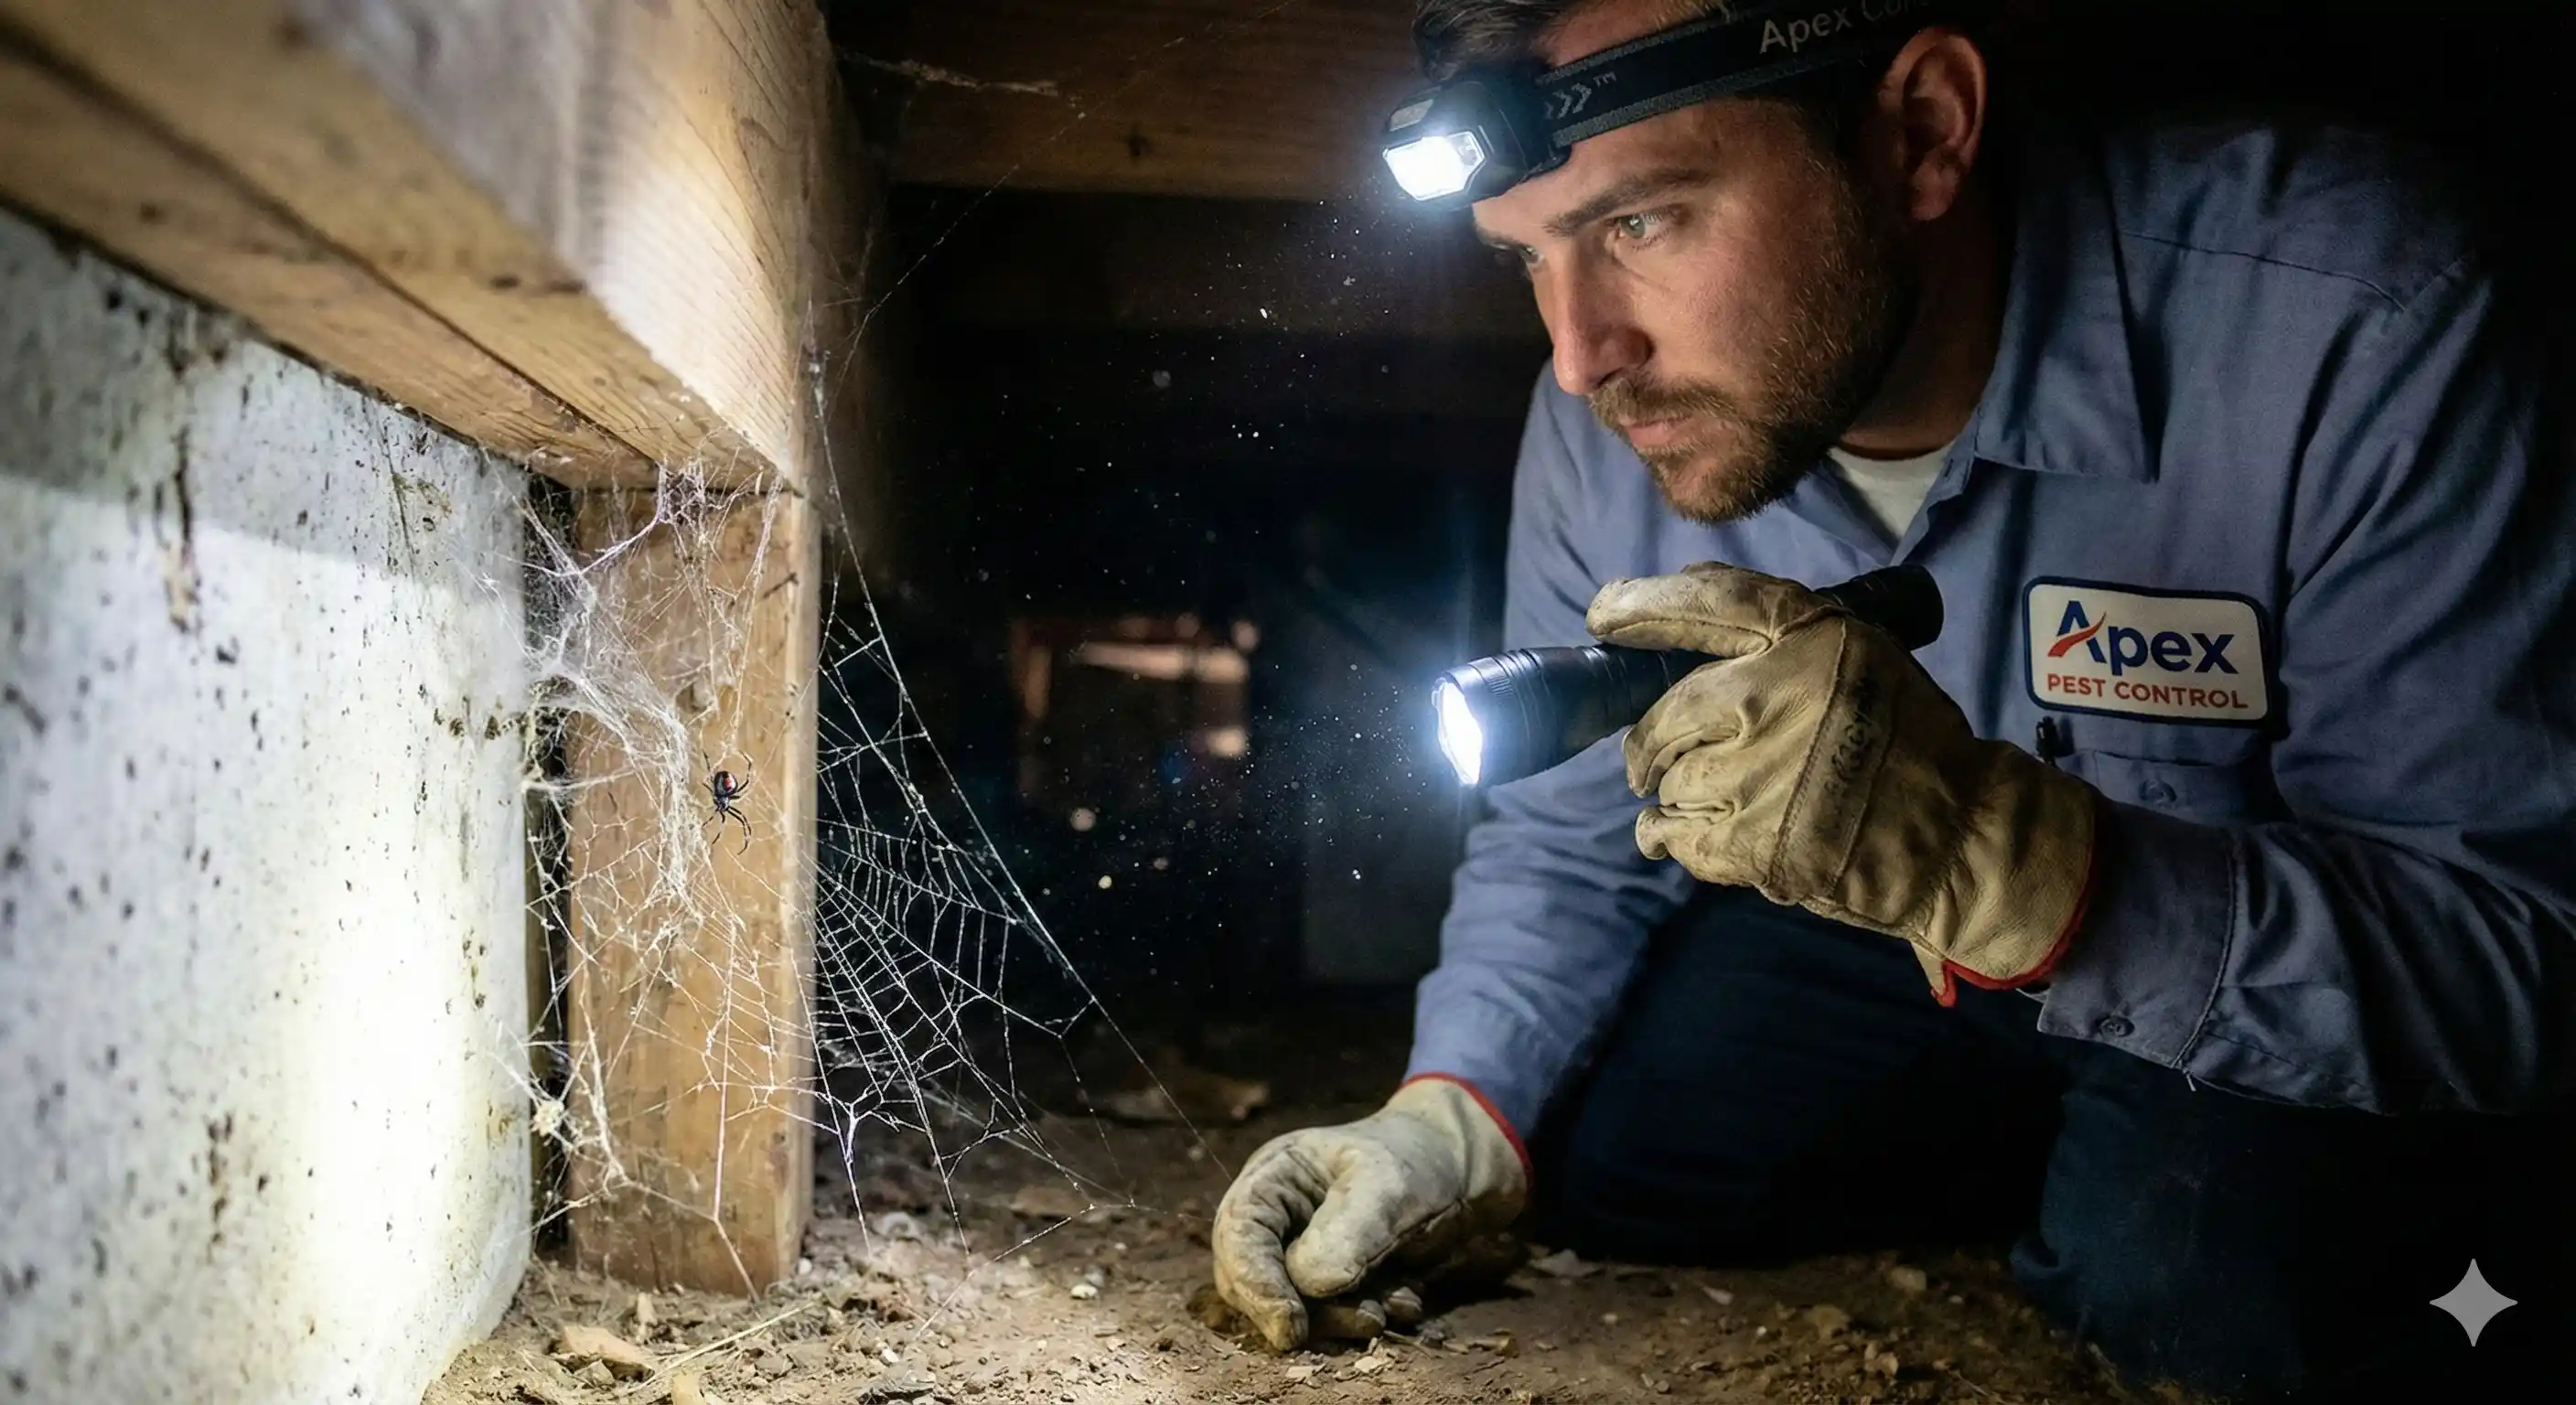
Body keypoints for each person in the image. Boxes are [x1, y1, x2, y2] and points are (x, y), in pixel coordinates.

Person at [1208, 0, 2576, 1397]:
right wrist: (1449, 1116)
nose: (1579, 354)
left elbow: (2527, 949)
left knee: (2195, 1284)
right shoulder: (1611, 413)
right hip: (1890, 933)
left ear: (1922, 133)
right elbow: (1564, 839)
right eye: (1527, 260)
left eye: (1642, 223)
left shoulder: (2361, 317)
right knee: (1615, 1164)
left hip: (2258, 921)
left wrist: (2026, 870)